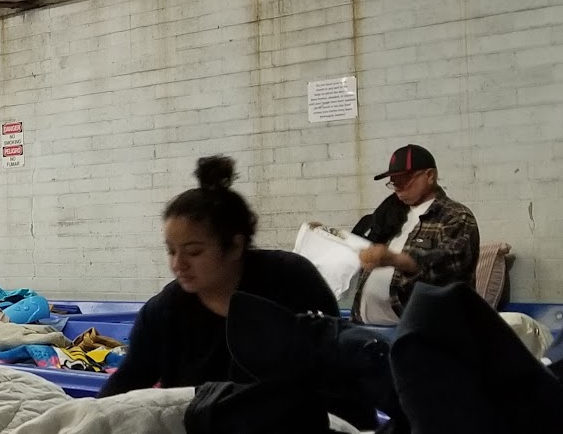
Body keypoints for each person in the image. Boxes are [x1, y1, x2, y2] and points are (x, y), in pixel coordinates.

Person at [103, 156, 340, 396]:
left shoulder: (291, 282)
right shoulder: (164, 313)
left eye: (194, 252)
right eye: (171, 251)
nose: (177, 264)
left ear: (235, 246)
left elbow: (339, 365)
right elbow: (127, 382)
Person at [351, 144, 480, 324]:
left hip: (426, 332)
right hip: (367, 328)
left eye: (404, 180)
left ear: (430, 176)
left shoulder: (456, 216)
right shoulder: (390, 216)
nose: (398, 188)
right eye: (394, 183)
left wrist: (392, 259)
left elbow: (443, 265)